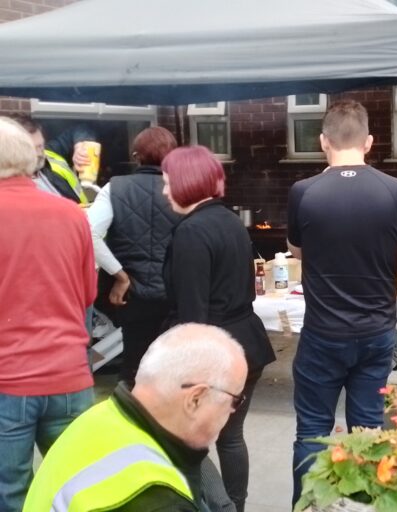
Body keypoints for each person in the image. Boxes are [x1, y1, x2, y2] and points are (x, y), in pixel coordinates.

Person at [287, 99, 397, 504]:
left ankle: (309, 506)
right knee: (368, 430)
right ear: (368, 142)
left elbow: (298, 250)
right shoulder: (396, 192)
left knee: (312, 431)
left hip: (323, 334)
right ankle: (364, 505)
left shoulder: (303, 192)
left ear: (322, 142)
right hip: (375, 333)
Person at [23, 323, 248, 512]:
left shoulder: (99, 418)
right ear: (195, 399)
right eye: (235, 401)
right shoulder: (158, 500)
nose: (232, 412)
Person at [161, 146, 276, 512]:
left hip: (211, 353)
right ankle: (235, 506)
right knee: (231, 437)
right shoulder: (229, 221)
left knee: (187, 440)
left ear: (185, 184)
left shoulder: (191, 232)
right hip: (247, 343)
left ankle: (212, 506)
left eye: (167, 183)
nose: (164, 191)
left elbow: (194, 312)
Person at [0, 116, 97, 511]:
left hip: (7, 380)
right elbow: (88, 293)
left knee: (10, 494)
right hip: (71, 376)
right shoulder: (72, 214)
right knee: (78, 492)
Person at [87, 127, 181, 383]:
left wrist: (119, 276)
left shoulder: (115, 188)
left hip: (132, 295)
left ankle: (130, 415)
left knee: (134, 365)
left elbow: (89, 233)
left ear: (136, 155)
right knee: (173, 367)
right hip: (176, 292)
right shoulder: (184, 189)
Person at [11, 114, 93, 204]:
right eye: (32, 149)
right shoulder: (9, 185)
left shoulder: (49, 153)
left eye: (40, 146)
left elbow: (82, 128)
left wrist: (79, 145)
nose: (40, 153)